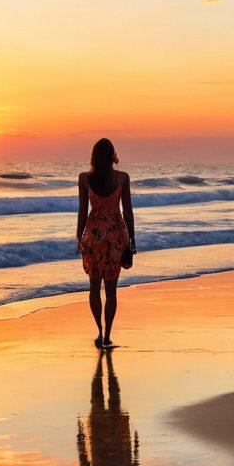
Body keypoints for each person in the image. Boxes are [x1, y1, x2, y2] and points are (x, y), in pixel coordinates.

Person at [76, 138, 136, 349]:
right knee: (111, 291)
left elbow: (83, 211)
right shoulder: (122, 178)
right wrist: (132, 240)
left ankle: (99, 332)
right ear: (112, 155)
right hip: (115, 236)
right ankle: (108, 334)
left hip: (93, 236)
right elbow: (127, 212)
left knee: (94, 288)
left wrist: (78, 238)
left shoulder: (84, 178)